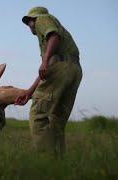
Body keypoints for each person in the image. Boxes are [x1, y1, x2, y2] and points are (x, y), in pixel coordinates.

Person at [15, 7, 82, 156]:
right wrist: (30, 91)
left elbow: (53, 36)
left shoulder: (43, 19)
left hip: (60, 67)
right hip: (74, 70)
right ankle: (59, 165)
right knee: (57, 121)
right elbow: (45, 72)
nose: (29, 25)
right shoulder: (50, 44)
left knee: (38, 114)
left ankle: (45, 160)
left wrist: (44, 61)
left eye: (29, 21)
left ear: (35, 18)